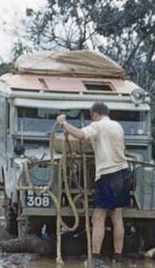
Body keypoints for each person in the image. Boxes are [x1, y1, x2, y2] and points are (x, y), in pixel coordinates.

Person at [56, 103, 131, 258]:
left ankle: (95, 256)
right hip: (124, 172)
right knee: (117, 216)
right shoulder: (117, 126)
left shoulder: (98, 126)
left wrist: (63, 123)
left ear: (95, 115)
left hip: (108, 174)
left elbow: (81, 135)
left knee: (98, 217)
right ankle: (118, 255)